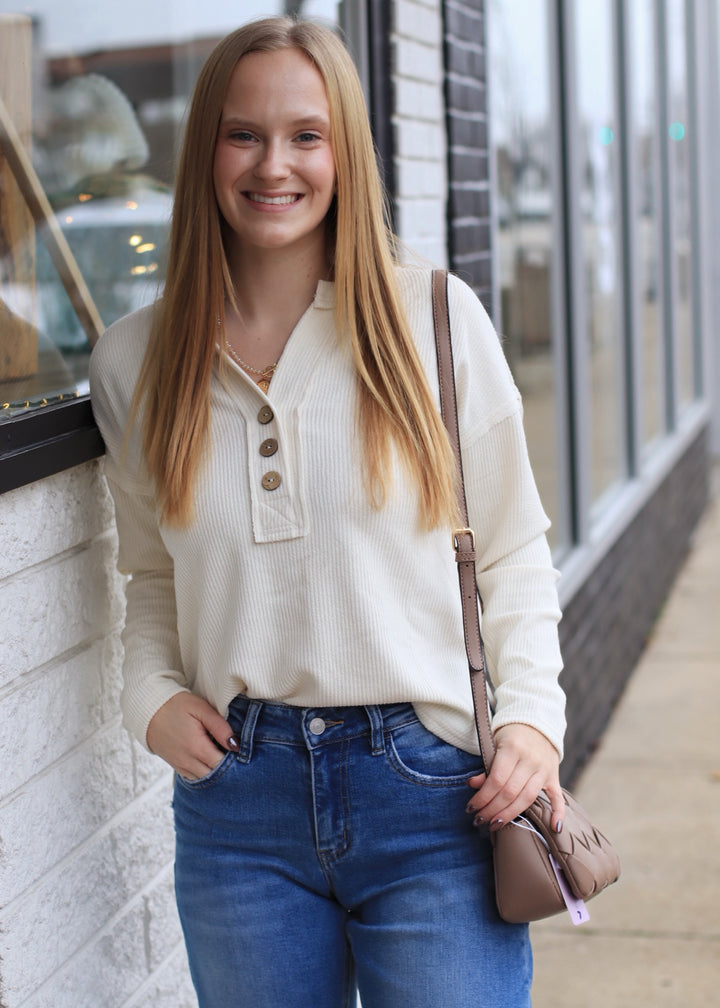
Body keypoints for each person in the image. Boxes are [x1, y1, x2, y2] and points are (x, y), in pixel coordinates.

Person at [90, 16, 566, 1008]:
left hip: (433, 796)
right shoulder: (134, 362)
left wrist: (533, 721)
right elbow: (148, 576)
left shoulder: (432, 320)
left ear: (345, 151)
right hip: (238, 812)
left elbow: (514, 548)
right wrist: (151, 701)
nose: (276, 164)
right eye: (243, 134)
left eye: (307, 134)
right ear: (204, 151)